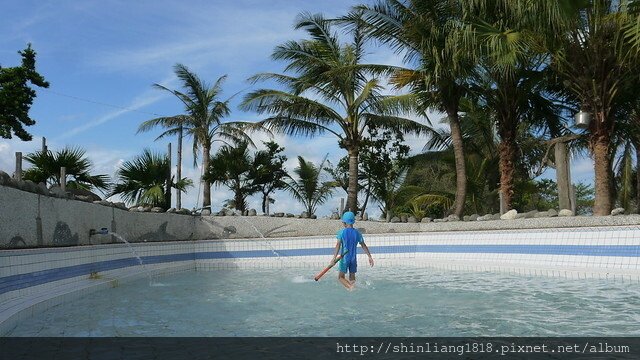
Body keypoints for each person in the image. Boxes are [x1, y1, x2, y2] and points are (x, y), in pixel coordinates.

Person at [330, 211, 374, 290]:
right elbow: (363, 245)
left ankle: (351, 287)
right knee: (352, 278)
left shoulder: (341, 232)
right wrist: (369, 257)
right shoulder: (357, 233)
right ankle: (353, 287)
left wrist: (334, 258)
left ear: (344, 223)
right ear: (353, 221)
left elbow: (338, 245)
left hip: (344, 259)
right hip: (353, 259)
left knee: (340, 277)